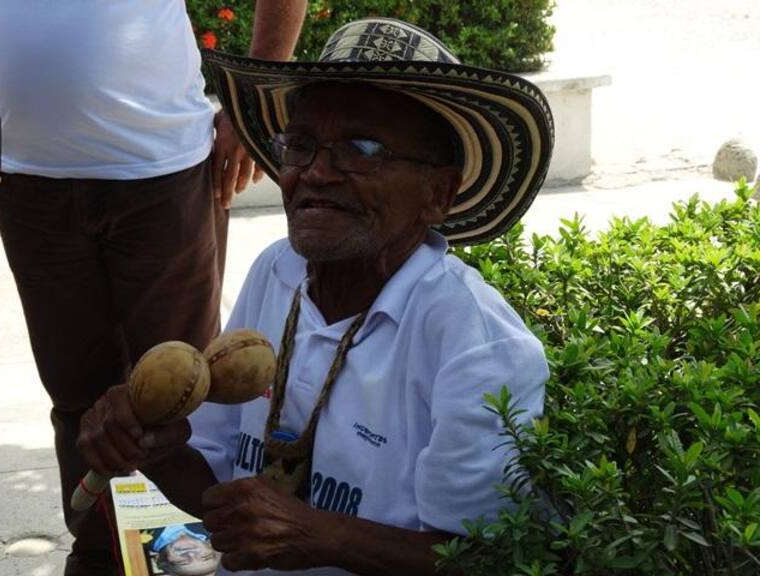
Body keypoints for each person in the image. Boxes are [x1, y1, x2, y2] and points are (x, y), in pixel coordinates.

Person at [77, 17, 555, 576]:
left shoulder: (476, 345)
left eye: (362, 149)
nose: (317, 173)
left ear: (438, 193)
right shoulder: (277, 272)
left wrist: (325, 538)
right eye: (300, 146)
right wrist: (149, 446)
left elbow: (490, 559)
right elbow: (216, 491)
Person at [0, 2, 307, 575]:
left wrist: (250, 103)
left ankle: (195, 558)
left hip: (160, 170)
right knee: (76, 398)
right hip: (26, 175)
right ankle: (100, 554)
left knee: (184, 390)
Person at [150, 525, 219, 576]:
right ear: (211, 546)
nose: (191, 554)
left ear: (160, 558)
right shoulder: (213, 524)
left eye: (182, 562)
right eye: (205, 557)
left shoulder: (143, 542)